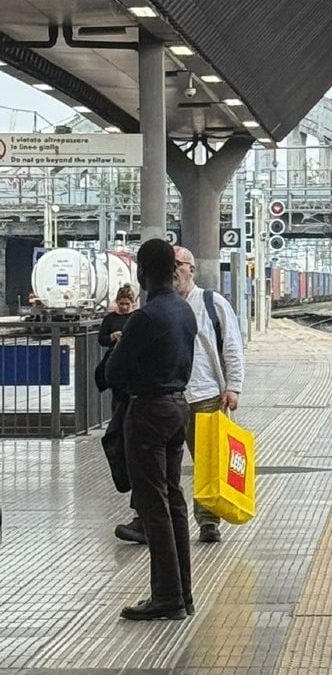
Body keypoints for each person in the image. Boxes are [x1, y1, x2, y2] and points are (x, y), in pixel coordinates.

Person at [114, 246, 246, 544]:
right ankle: (146, 521)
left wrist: (233, 386)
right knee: (158, 468)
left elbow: (232, 347)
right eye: (170, 265)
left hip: (206, 395)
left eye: (180, 264)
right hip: (169, 398)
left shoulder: (212, 303)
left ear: (192, 270)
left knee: (207, 461)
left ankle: (208, 521)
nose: (174, 271)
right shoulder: (160, 309)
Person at [105, 239, 197, 621]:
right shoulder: (184, 312)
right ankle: (183, 594)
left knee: (153, 504)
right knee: (174, 500)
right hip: (178, 409)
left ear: (142, 272)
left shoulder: (146, 317)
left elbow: (113, 374)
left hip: (147, 413)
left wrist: (123, 346)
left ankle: (166, 596)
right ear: (173, 270)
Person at [98, 285, 136, 495]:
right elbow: (101, 338)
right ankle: (118, 423)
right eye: (120, 304)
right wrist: (112, 337)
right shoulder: (110, 319)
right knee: (118, 400)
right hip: (115, 365)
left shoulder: (137, 318)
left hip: (128, 369)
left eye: (126, 304)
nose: (123, 307)